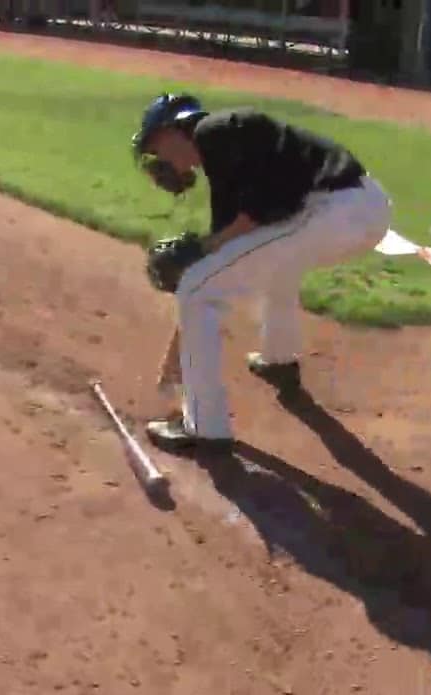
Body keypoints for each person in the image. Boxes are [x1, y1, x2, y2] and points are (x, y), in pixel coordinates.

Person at [133, 93, 392, 452]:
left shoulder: (213, 132)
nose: (159, 159)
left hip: (332, 211)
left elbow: (242, 226)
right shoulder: (223, 149)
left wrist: (198, 252)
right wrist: (173, 352)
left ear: (174, 131)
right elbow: (229, 248)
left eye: (155, 146)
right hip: (362, 209)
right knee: (271, 263)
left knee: (197, 289)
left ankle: (204, 426)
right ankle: (279, 360)